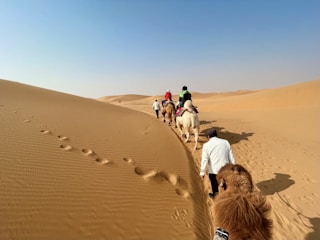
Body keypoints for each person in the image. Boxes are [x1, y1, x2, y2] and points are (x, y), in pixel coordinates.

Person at [199, 128, 236, 198]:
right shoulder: (226, 142)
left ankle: (215, 196)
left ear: (208, 137)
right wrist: (233, 168)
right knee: (226, 184)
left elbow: (204, 159)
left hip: (214, 170)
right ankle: (227, 196)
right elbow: (231, 157)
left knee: (214, 184)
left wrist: (202, 172)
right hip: (226, 169)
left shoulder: (206, 145)